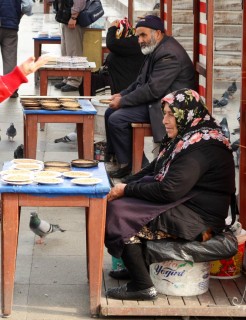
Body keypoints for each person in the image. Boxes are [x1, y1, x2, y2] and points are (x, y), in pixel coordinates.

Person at [105, 88, 235, 301]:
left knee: (120, 212)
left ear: (186, 114)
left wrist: (126, 190)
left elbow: (169, 190)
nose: (165, 120)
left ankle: (142, 286)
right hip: (188, 202)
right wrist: (124, 185)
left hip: (203, 219)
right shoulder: (188, 135)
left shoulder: (203, 145)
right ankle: (137, 268)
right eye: (164, 113)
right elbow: (155, 167)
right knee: (124, 201)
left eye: (171, 114)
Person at [106, 15, 196, 179]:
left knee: (117, 118)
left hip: (170, 107)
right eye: (138, 36)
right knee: (109, 113)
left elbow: (153, 90)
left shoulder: (169, 54)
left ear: (158, 33)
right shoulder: (157, 48)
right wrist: (122, 94)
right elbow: (140, 80)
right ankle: (127, 163)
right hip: (159, 100)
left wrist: (123, 101)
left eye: (143, 35)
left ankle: (138, 167)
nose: (139, 40)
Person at [54, 17, 145, 145]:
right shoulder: (132, 41)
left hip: (118, 83)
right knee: (86, 83)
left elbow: (111, 43)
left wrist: (112, 28)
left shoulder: (135, 43)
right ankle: (81, 125)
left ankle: (85, 125)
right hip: (114, 78)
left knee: (89, 84)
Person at [0, 0, 33, 98]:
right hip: (10, 26)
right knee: (10, 58)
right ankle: (11, 89)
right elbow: (28, 5)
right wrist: (18, 14)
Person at [53, 0, 86, 92]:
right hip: (65, 17)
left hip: (73, 18)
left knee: (74, 50)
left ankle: (74, 81)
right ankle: (67, 77)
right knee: (65, 50)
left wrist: (74, 16)